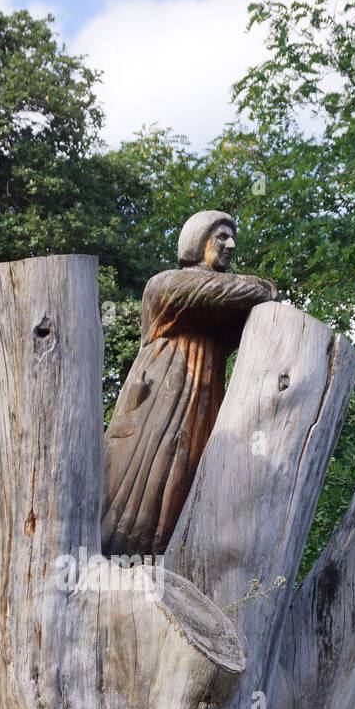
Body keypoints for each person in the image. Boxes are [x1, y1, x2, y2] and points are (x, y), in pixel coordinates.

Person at [101, 210, 277, 558]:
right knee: (143, 484)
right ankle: (117, 559)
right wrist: (266, 287)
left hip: (202, 410)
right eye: (220, 236)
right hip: (159, 403)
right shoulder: (167, 284)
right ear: (197, 240)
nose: (231, 244)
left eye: (232, 237)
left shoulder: (217, 310)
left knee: (184, 486)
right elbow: (227, 292)